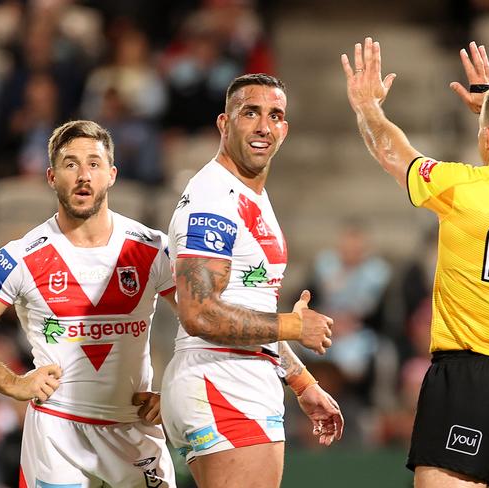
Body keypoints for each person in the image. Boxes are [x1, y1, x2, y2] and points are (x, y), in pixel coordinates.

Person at [341, 37, 489, 487]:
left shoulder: (464, 189)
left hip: (470, 381)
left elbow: (393, 153)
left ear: (486, 137)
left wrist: (368, 107)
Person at [0, 120, 177, 487]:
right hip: (57, 434)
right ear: (51, 177)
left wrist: (173, 389)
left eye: (94, 163)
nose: (83, 175)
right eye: (70, 164)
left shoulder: (153, 248)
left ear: (112, 174)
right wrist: (13, 384)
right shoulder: (23, 256)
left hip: (134, 430)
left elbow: (201, 320)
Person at [160, 73, 344, 488]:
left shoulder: (247, 192)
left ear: (285, 129)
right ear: (224, 124)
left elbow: (246, 303)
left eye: (275, 115)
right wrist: (294, 326)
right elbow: (199, 312)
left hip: (232, 377)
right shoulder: (213, 199)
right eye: (250, 113)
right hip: (223, 380)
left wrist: (300, 380)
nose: (264, 126)